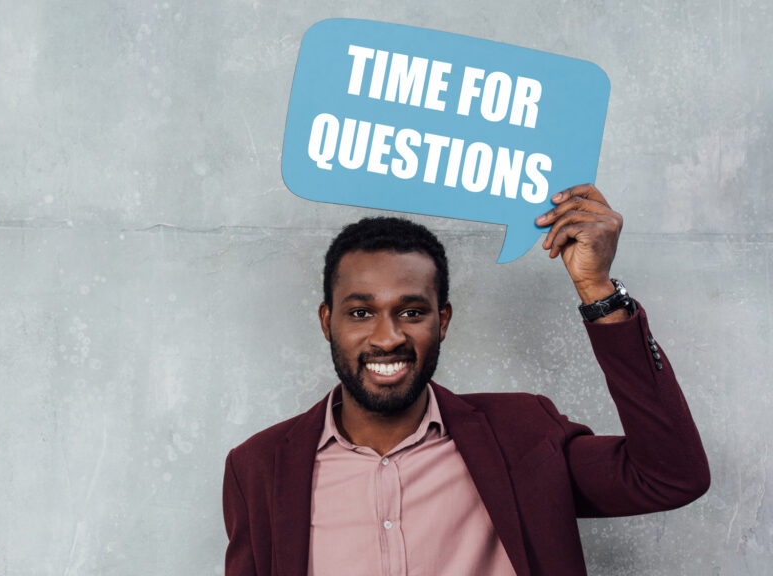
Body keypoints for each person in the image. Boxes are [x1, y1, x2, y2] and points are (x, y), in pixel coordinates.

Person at [222, 185, 709, 576]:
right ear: (328, 322)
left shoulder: (522, 435)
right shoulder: (259, 469)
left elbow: (671, 476)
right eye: (361, 312)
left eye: (412, 311)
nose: (387, 337)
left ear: (444, 320)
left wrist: (598, 291)